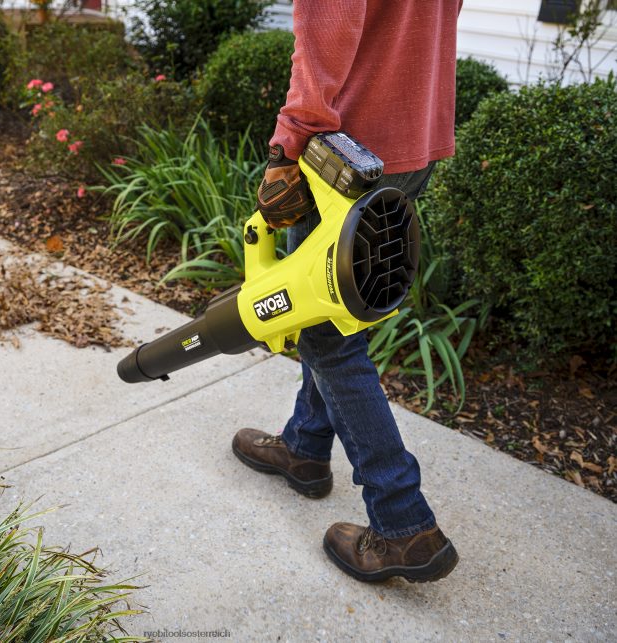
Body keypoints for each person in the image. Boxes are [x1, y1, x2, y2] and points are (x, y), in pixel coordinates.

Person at [231, 0, 463, 583]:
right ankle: (305, 448)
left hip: (346, 150)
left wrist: (287, 146)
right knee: (329, 318)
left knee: (326, 339)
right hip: (413, 139)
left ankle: (404, 522)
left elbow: (327, 28)